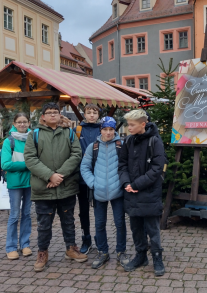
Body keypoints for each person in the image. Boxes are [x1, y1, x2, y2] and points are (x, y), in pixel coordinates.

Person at [24, 102, 87, 272]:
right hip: (44, 188)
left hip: (66, 186)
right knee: (44, 224)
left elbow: (76, 154)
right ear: (43, 116)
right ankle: (42, 252)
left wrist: (59, 175)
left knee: (68, 220)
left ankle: (71, 248)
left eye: (55, 112)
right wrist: (49, 176)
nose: (53, 115)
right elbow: (30, 158)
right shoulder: (34, 135)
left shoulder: (69, 133)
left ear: (60, 115)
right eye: (49, 112)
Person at [119, 109, 165, 276]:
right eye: (128, 124)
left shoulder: (155, 141)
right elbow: (122, 164)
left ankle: (157, 257)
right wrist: (126, 183)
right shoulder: (129, 141)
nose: (128, 128)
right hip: (131, 193)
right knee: (136, 227)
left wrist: (137, 184)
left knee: (152, 228)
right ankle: (140, 256)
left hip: (149, 192)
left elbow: (157, 168)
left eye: (131, 125)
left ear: (143, 124)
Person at [80, 116, 129, 269]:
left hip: (118, 191)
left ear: (115, 130)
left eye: (111, 129)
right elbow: (84, 167)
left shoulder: (121, 145)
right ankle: (103, 251)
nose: (108, 133)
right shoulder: (92, 147)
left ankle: (121, 251)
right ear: (100, 130)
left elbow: (127, 166)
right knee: (100, 224)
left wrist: (123, 182)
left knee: (120, 223)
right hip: (99, 192)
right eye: (105, 129)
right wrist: (93, 183)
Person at [1, 113, 32, 260]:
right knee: (14, 215)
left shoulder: (32, 139)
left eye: (24, 122)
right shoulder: (9, 141)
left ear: (29, 123)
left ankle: (25, 244)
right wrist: (28, 165)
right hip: (15, 183)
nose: (22, 125)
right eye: (19, 122)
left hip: (30, 182)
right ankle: (11, 247)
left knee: (26, 214)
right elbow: (5, 164)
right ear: (14, 123)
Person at [74, 103, 101, 254]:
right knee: (83, 210)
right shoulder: (78, 130)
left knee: (99, 209)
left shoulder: (103, 129)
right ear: (84, 114)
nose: (91, 115)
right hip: (82, 176)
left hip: (99, 176)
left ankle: (99, 237)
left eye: (94, 113)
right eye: (89, 112)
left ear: (98, 115)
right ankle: (86, 237)